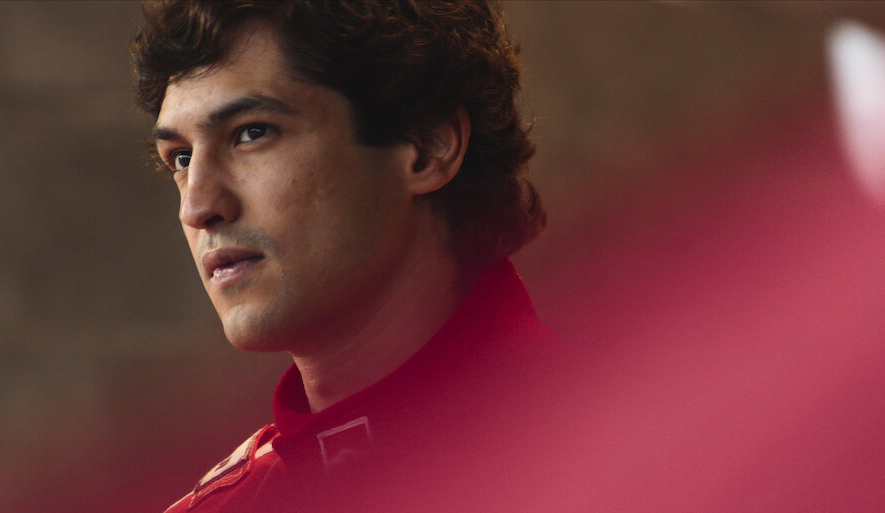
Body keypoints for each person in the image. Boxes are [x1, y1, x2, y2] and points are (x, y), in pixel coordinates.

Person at [132, 1, 569, 511]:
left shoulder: (623, 456)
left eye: (252, 132)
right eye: (181, 158)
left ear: (427, 148)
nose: (197, 207)